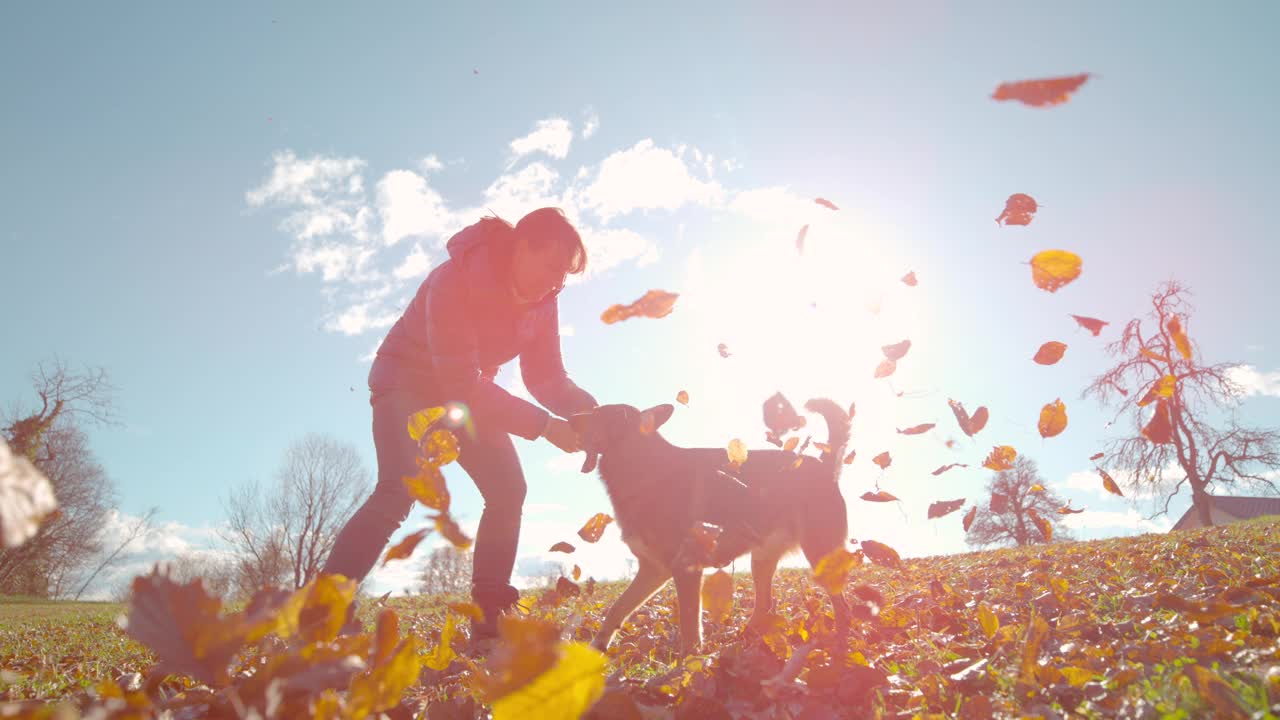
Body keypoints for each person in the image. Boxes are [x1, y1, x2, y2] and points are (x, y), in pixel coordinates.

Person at [322, 207, 596, 641]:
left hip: (467, 393)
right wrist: (545, 427)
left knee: (508, 488)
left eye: (564, 274)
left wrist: (587, 412)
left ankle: (489, 622)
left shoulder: (544, 303)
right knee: (400, 489)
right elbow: (460, 382)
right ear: (521, 247)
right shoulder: (456, 280)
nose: (555, 281)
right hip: (407, 385)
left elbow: (546, 376)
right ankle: (326, 615)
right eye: (550, 266)